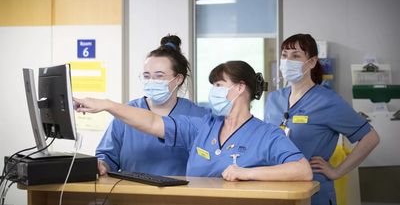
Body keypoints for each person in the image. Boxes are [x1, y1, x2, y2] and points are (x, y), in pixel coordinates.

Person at [75, 60, 313, 181]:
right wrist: (108, 105)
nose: (214, 91)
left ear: (240, 88)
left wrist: (249, 173)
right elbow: (152, 123)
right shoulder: (203, 125)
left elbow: (302, 170)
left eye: (219, 85)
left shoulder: (267, 134)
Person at [264, 34, 380, 205]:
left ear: (311, 62)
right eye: (284, 55)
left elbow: (371, 138)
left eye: (296, 56)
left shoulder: (328, 101)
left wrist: (337, 172)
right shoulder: (273, 99)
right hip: (276, 188)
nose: (288, 61)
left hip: (313, 192)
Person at [95, 34, 209, 176]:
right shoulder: (126, 113)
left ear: (178, 79)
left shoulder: (198, 115)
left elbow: (210, 161)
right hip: (132, 193)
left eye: (159, 76)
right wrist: (102, 165)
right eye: (147, 76)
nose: (151, 81)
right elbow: (106, 157)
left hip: (182, 195)